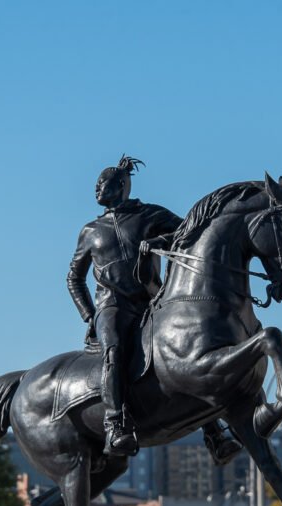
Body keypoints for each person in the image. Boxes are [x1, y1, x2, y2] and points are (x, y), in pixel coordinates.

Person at [67, 156, 242, 462]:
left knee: (187, 353)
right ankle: (115, 424)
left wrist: (158, 240)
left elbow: (191, 233)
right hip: (112, 307)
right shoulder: (90, 231)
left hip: (152, 301)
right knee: (114, 352)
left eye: (102, 183)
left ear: (121, 186)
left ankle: (215, 434)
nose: (96, 188)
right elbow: (73, 278)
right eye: (96, 184)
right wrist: (89, 315)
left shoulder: (149, 214)